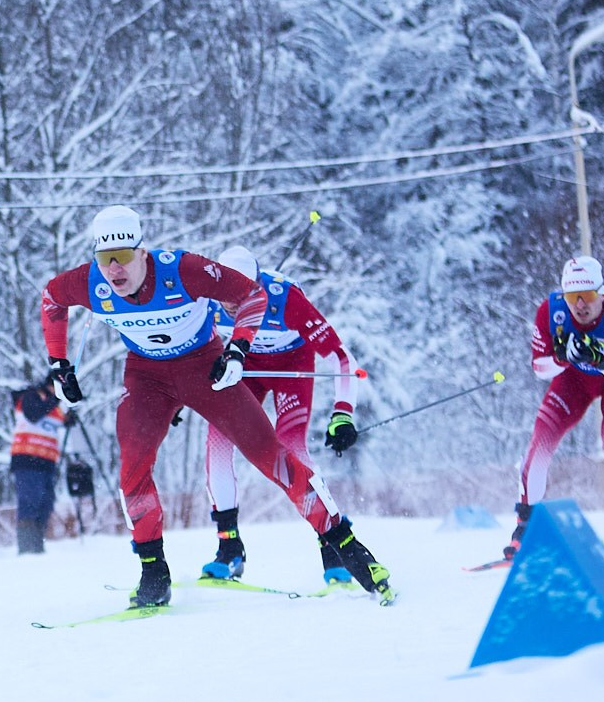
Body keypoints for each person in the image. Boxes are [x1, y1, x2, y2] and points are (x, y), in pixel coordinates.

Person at [37, 204, 395, 607]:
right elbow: (51, 298)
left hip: (204, 370)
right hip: (147, 378)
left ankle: (347, 547)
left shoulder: (183, 270)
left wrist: (239, 348)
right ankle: (154, 573)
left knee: (272, 455)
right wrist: (59, 364)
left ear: (143, 253)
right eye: (105, 259)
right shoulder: (89, 283)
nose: (114, 270)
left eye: (123, 257)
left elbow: (252, 295)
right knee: (132, 466)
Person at [199, 245, 363, 588]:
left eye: (243, 295)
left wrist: (342, 414)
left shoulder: (286, 298)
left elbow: (341, 359)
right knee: (217, 440)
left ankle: (331, 544)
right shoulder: (204, 295)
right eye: (226, 295)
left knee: (292, 448)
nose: (233, 305)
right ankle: (229, 547)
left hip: (293, 366)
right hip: (247, 367)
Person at [507, 253, 604, 564]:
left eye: (587, 297)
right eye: (573, 297)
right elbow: (539, 368)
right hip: (573, 381)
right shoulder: (551, 311)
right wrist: (562, 358)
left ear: (602, 294)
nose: (580, 305)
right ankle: (524, 527)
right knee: (541, 439)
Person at [5, 380, 71, 554]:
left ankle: (37, 546)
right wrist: (56, 399)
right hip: (27, 459)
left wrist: (70, 413)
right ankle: (27, 548)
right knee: (30, 501)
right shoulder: (30, 396)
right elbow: (33, 414)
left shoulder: (53, 406)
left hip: (47, 462)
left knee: (46, 503)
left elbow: (63, 422)